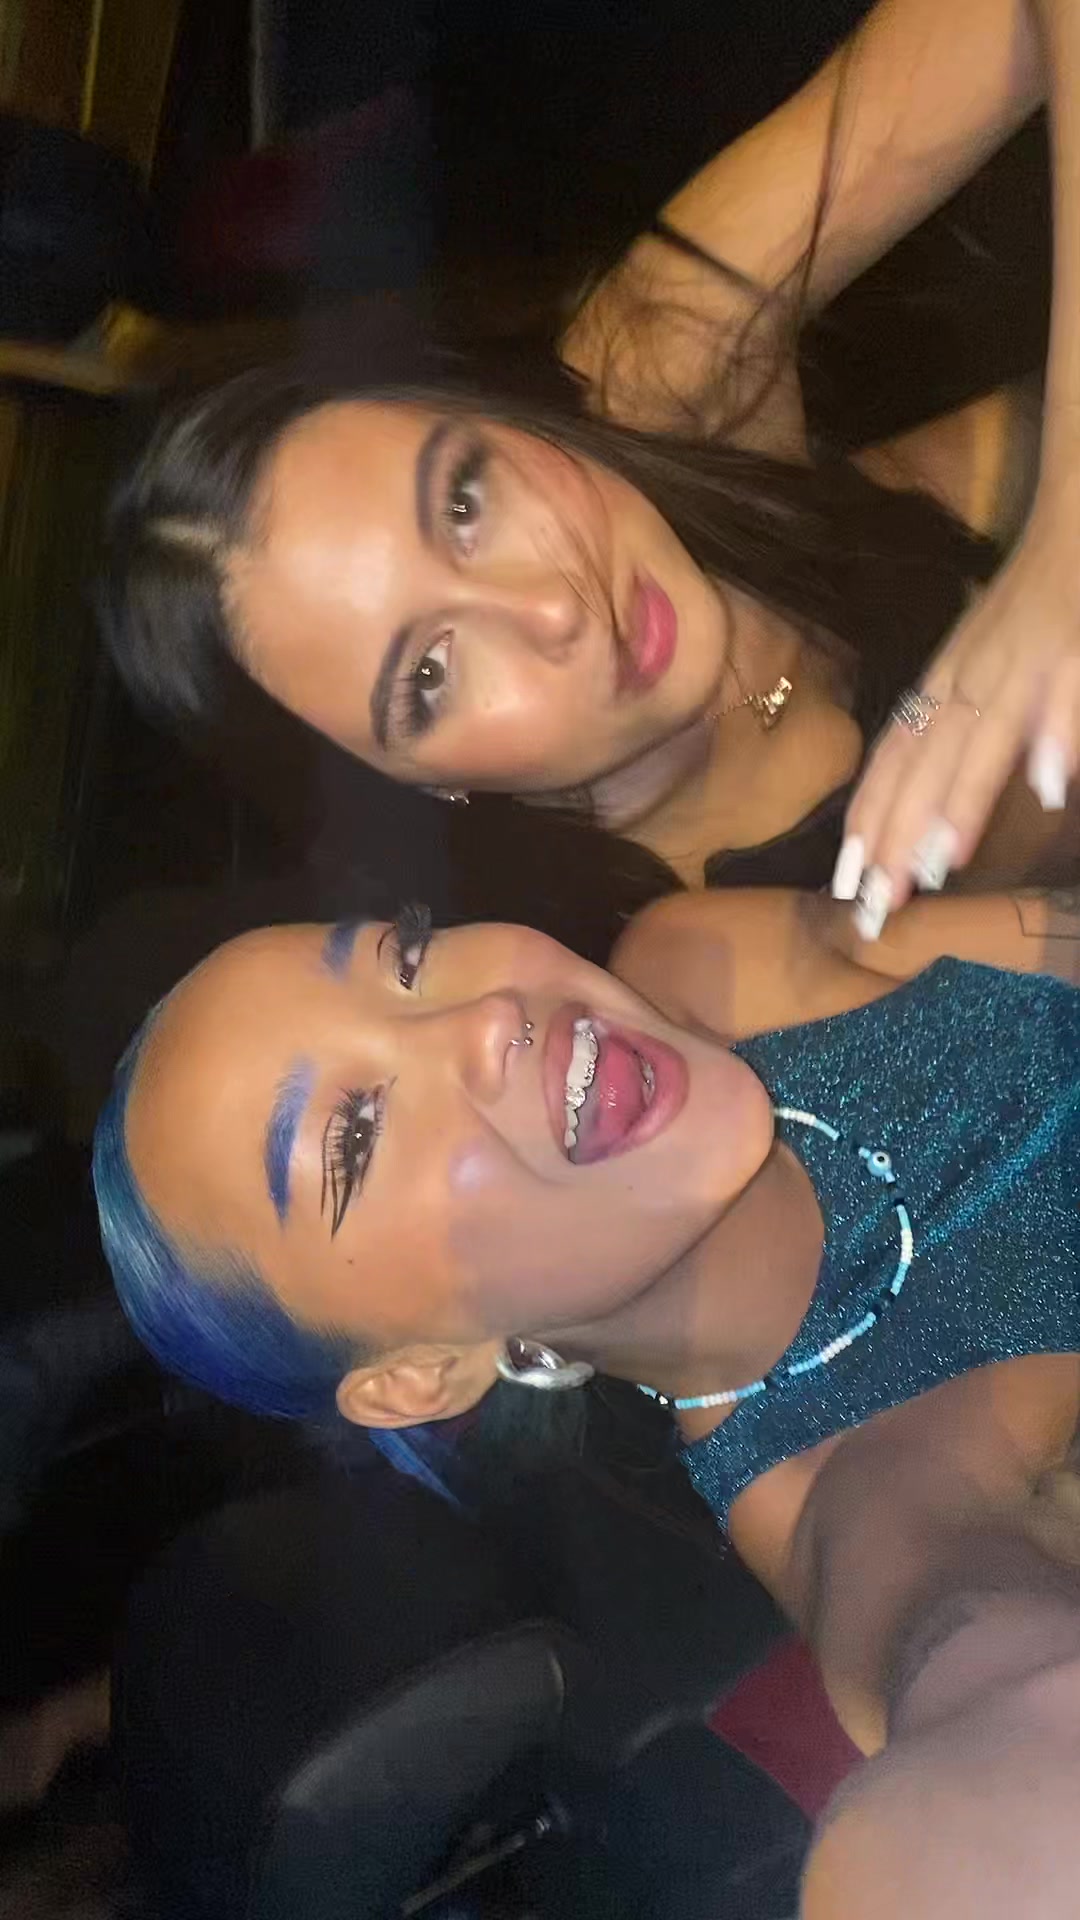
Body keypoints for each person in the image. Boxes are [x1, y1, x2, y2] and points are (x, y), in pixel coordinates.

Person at [94, 880, 1080, 1910]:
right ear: (423, 1372)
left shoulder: (697, 962)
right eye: (355, 1139)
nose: (486, 1019)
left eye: (406, 960)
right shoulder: (850, 1497)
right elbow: (972, 1688)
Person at [100, 0, 1080, 943]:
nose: (551, 609)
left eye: (464, 499)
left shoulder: (648, 382)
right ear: (419, 788)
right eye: (430, 676)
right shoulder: (688, 965)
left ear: (485, 412)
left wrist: (1060, 530)